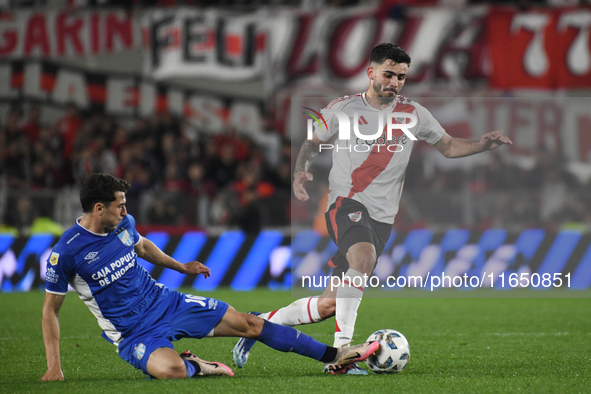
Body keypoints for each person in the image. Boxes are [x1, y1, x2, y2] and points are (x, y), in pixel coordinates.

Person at [232, 43, 513, 374]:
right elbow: (311, 143)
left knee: (328, 304)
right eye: (389, 74)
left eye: (402, 77)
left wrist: (483, 144)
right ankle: (341, 355)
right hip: (345, 203)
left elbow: (449, 146)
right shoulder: (342, 108)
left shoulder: (415, 114)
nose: (395, 82)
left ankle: (256, 324)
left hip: (382, 218)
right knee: (362, 260)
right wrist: (301, 171)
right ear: (371, 73)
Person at [40, 173, 379, 381]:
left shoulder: (123, 225)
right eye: (119, 206)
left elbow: (142, 246)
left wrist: (181, 266)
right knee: (170, 372)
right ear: (98, 209)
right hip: (132, 331)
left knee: (249, 323)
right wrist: (55, 367)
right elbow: (50, 311)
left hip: (166, 302)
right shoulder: (66, 252)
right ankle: (198, 365)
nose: (126, 212)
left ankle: (334, 356)